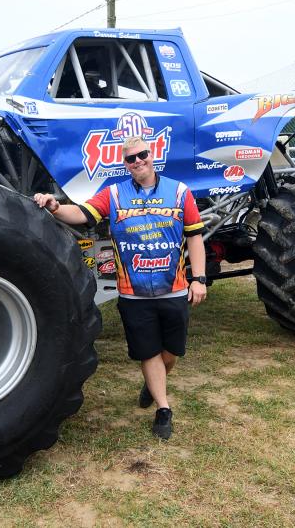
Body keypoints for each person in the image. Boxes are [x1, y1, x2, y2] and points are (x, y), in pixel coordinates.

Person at [33, 136, 207, 440]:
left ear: (152, 156)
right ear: (125, 164)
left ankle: (155, 384)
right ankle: (163, 408)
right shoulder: (114, 194)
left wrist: (199, 278)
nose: (138, 161)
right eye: (130, 158)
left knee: (171, 353)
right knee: (148, 351)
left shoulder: (179, 192)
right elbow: (82, 215)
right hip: (133, 293)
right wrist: (54, 206)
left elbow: (194, 236)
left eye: (142, 155)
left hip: (174, 289)